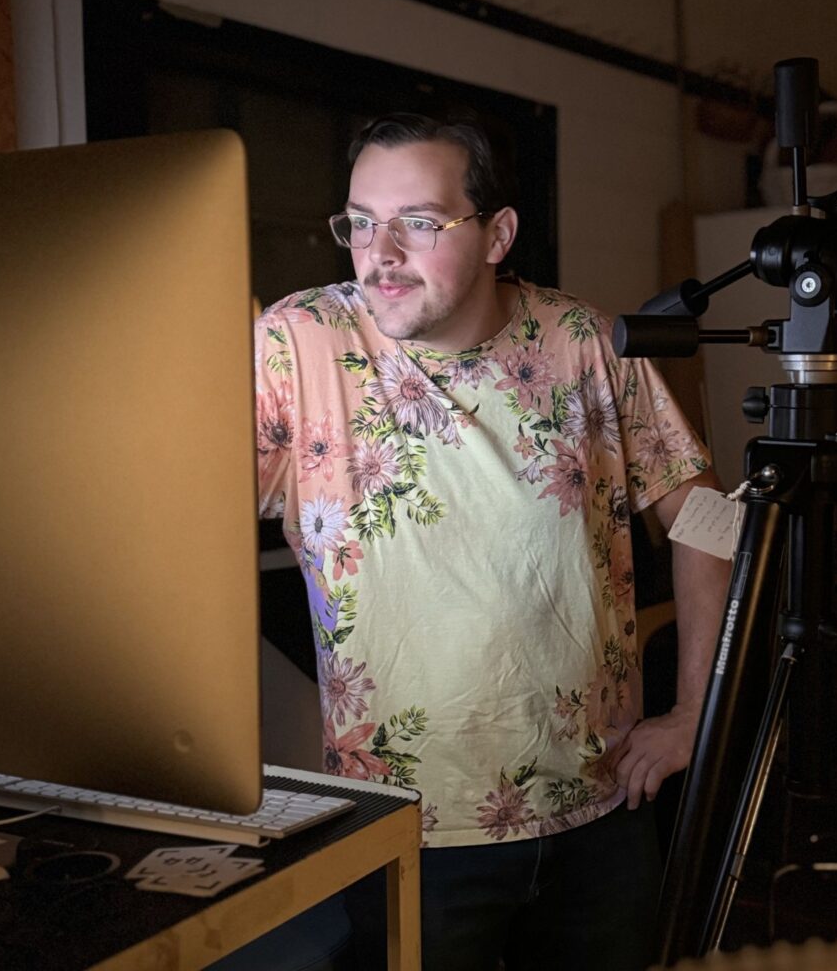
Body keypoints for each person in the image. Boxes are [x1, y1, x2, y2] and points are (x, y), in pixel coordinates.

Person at [253, 111, 731, 970]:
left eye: (418, 222)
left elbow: (709, 520)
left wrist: (698, 710)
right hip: (405, 827)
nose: (379, 253)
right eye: (359, 222)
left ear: (497, 235)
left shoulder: (586, 343)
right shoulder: (298, 344)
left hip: (601, 809)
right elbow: (178, 523)